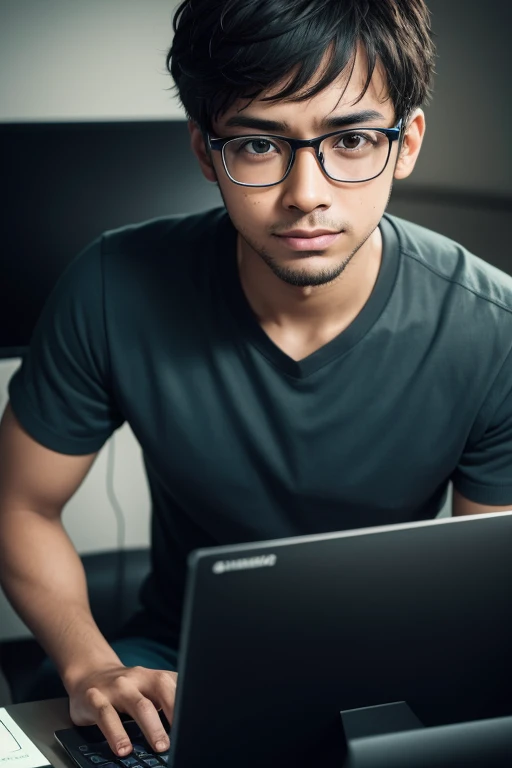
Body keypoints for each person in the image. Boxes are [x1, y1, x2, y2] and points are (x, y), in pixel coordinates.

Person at [1, 0, 511, 758]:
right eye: (258, 144)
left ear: (407, 145)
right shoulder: (111, 285)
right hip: (172, 669)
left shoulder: (492, 326)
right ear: (207, 153)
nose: (307, 193)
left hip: (402, 684)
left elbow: (487, 593)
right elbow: (21, 504)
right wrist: (90, 663)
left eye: (354, 139)